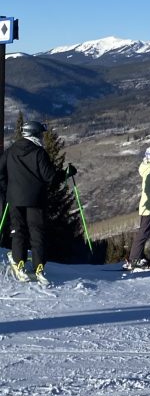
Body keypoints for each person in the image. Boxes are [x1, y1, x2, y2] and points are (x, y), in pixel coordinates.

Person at [0, 120, 71, 286]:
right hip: (35, 200)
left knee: (18, 231)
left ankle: (19, 263)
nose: (42, 137)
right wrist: (66, 174)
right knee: (37, 232)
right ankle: (39, 267)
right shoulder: (39, 153)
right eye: (40, 134)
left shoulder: (11, 151)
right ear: (35, 134)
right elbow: (51, 177)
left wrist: (7, 189)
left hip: (14, 199)